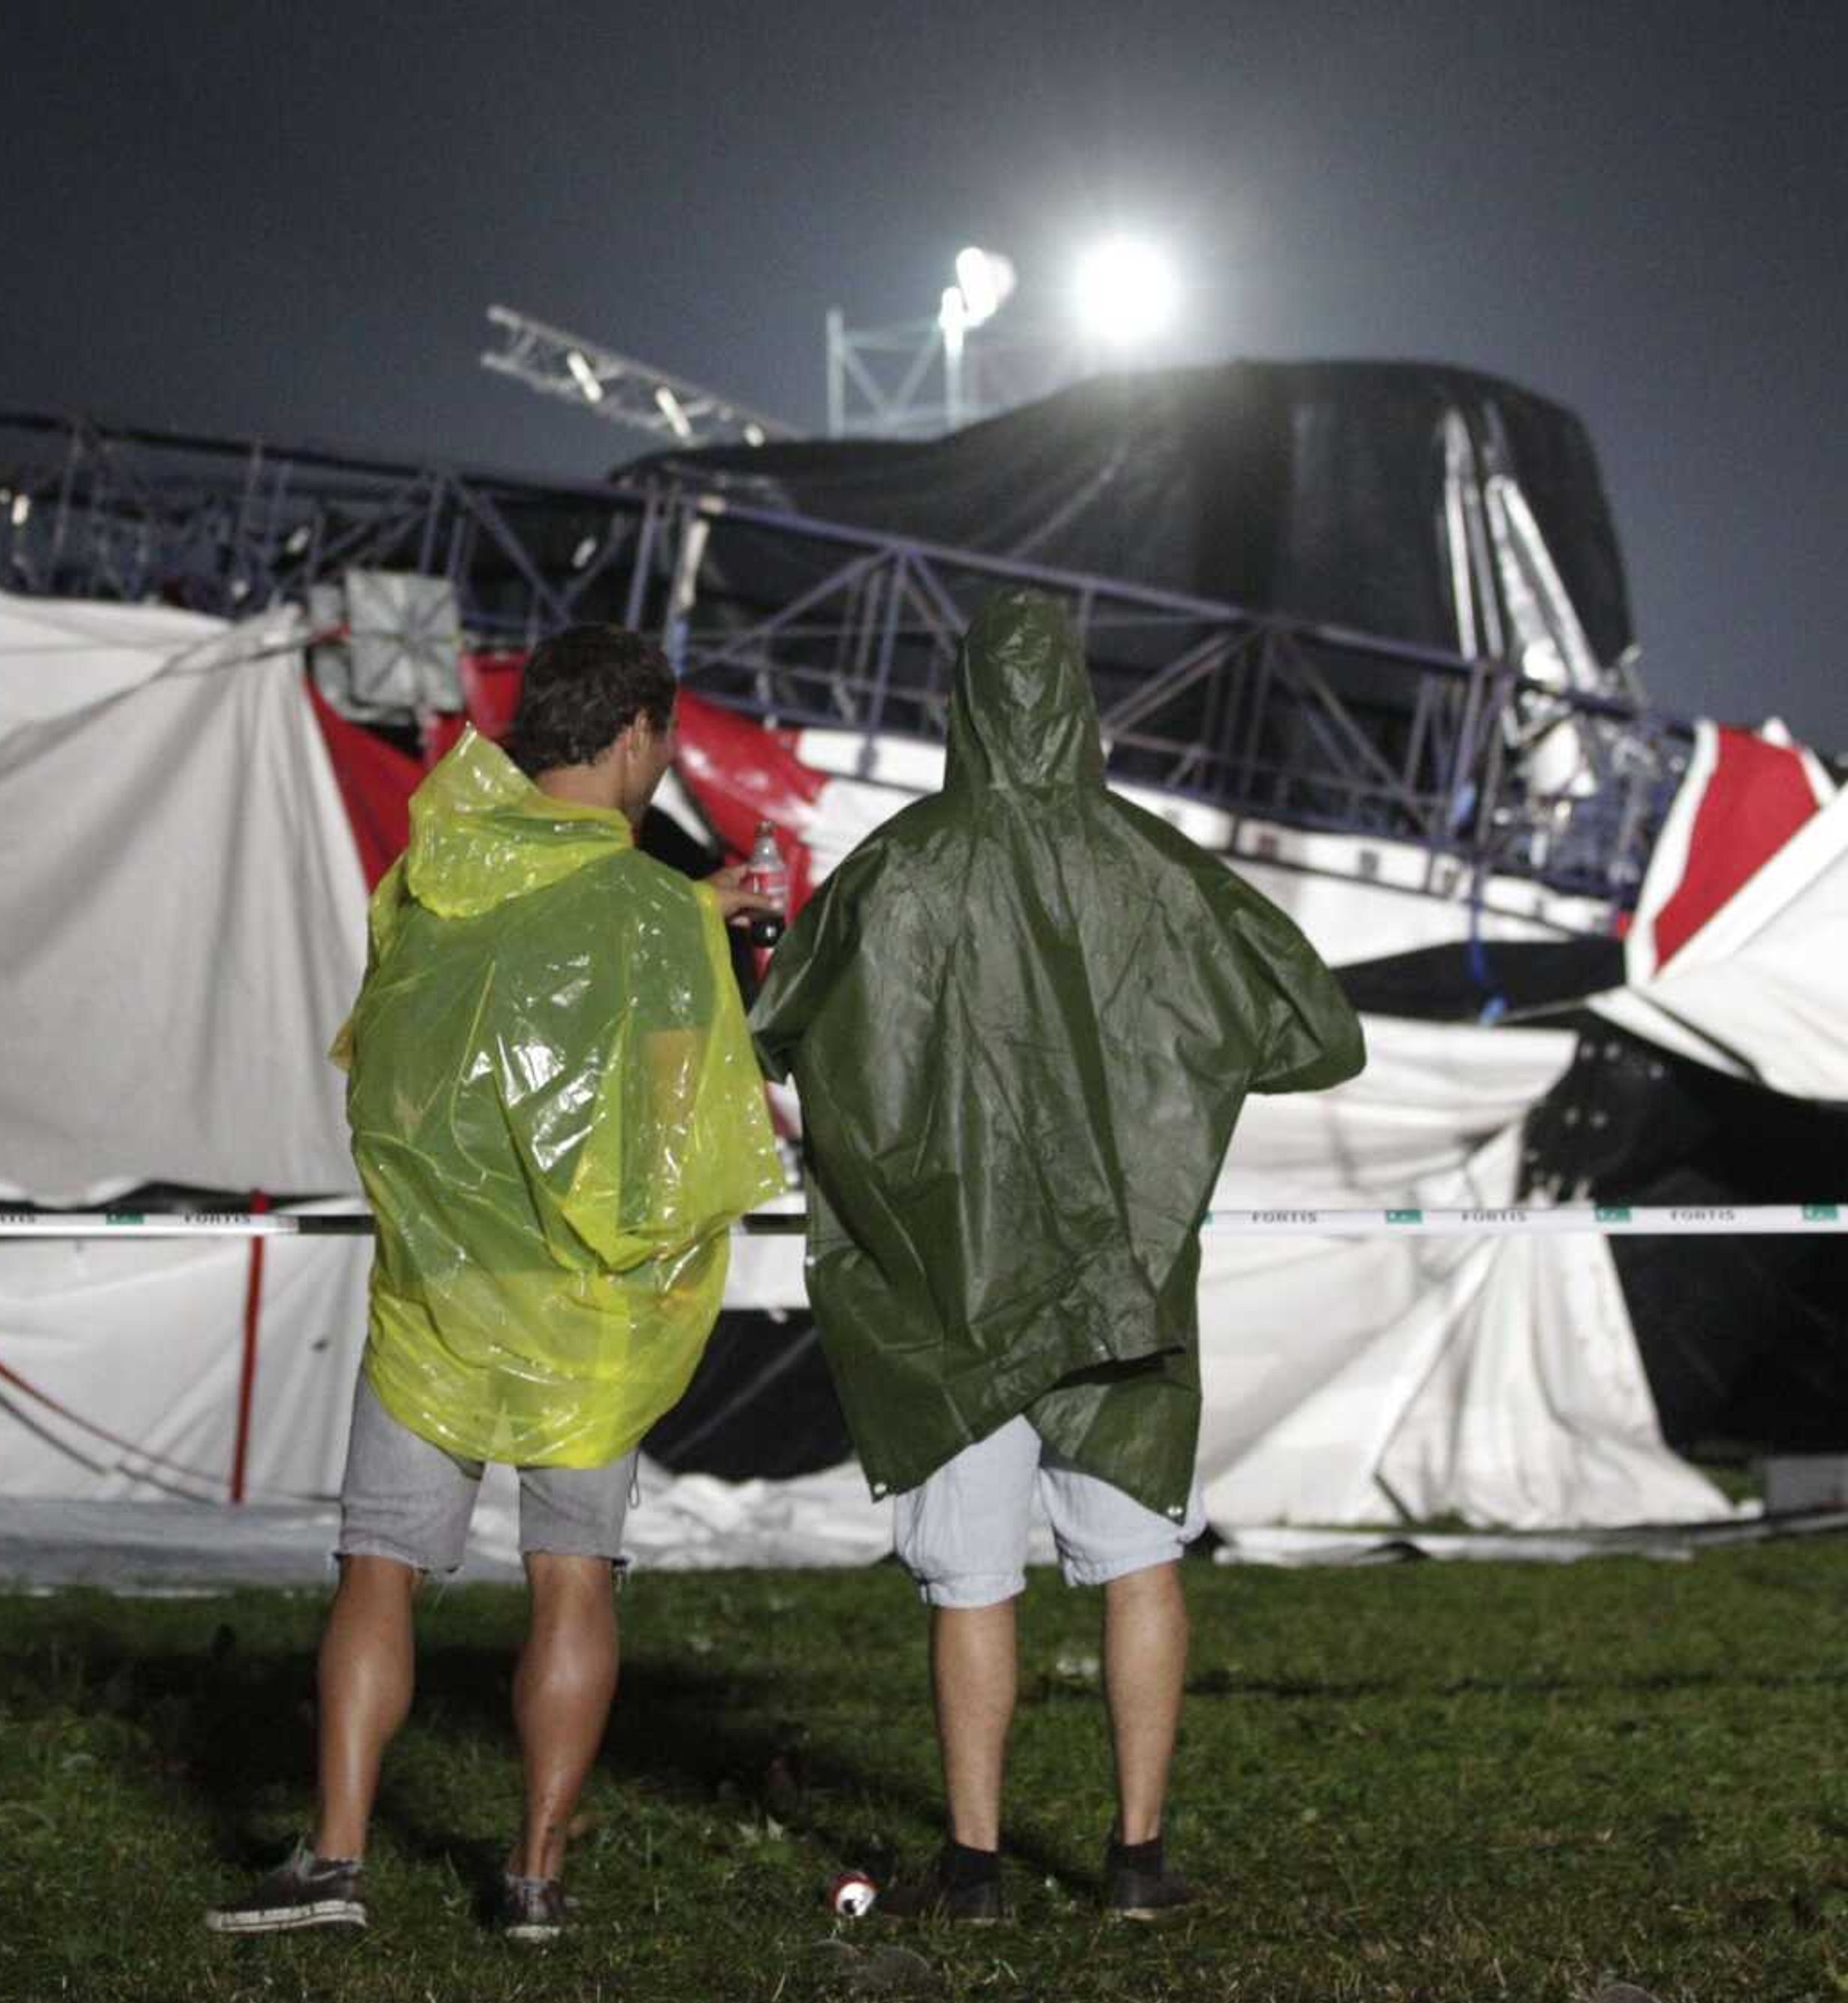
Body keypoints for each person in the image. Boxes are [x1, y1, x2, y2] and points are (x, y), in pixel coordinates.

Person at [751, 590, 1362, 1924]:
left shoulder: (900, 866)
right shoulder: (1156, 865)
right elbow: (1319, 1033)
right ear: (1081, 703)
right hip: (1120, 1295)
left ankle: (972, 1871)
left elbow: (781, 1025)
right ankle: (1137, 1861)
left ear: (962, 704)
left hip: (954, 1297)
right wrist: (1176, 1071)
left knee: (972, 1584)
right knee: (1139, 1564)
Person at [206, 624, 786, 1944]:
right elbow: (679, 1112)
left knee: (378, 1570)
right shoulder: (648, 906)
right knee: (572, 1574)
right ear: (635, 733)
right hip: (590, 1299)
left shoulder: (436, 871)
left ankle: (338, 1861)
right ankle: (533, 1878)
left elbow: (402, 1056)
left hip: (443, 1284)